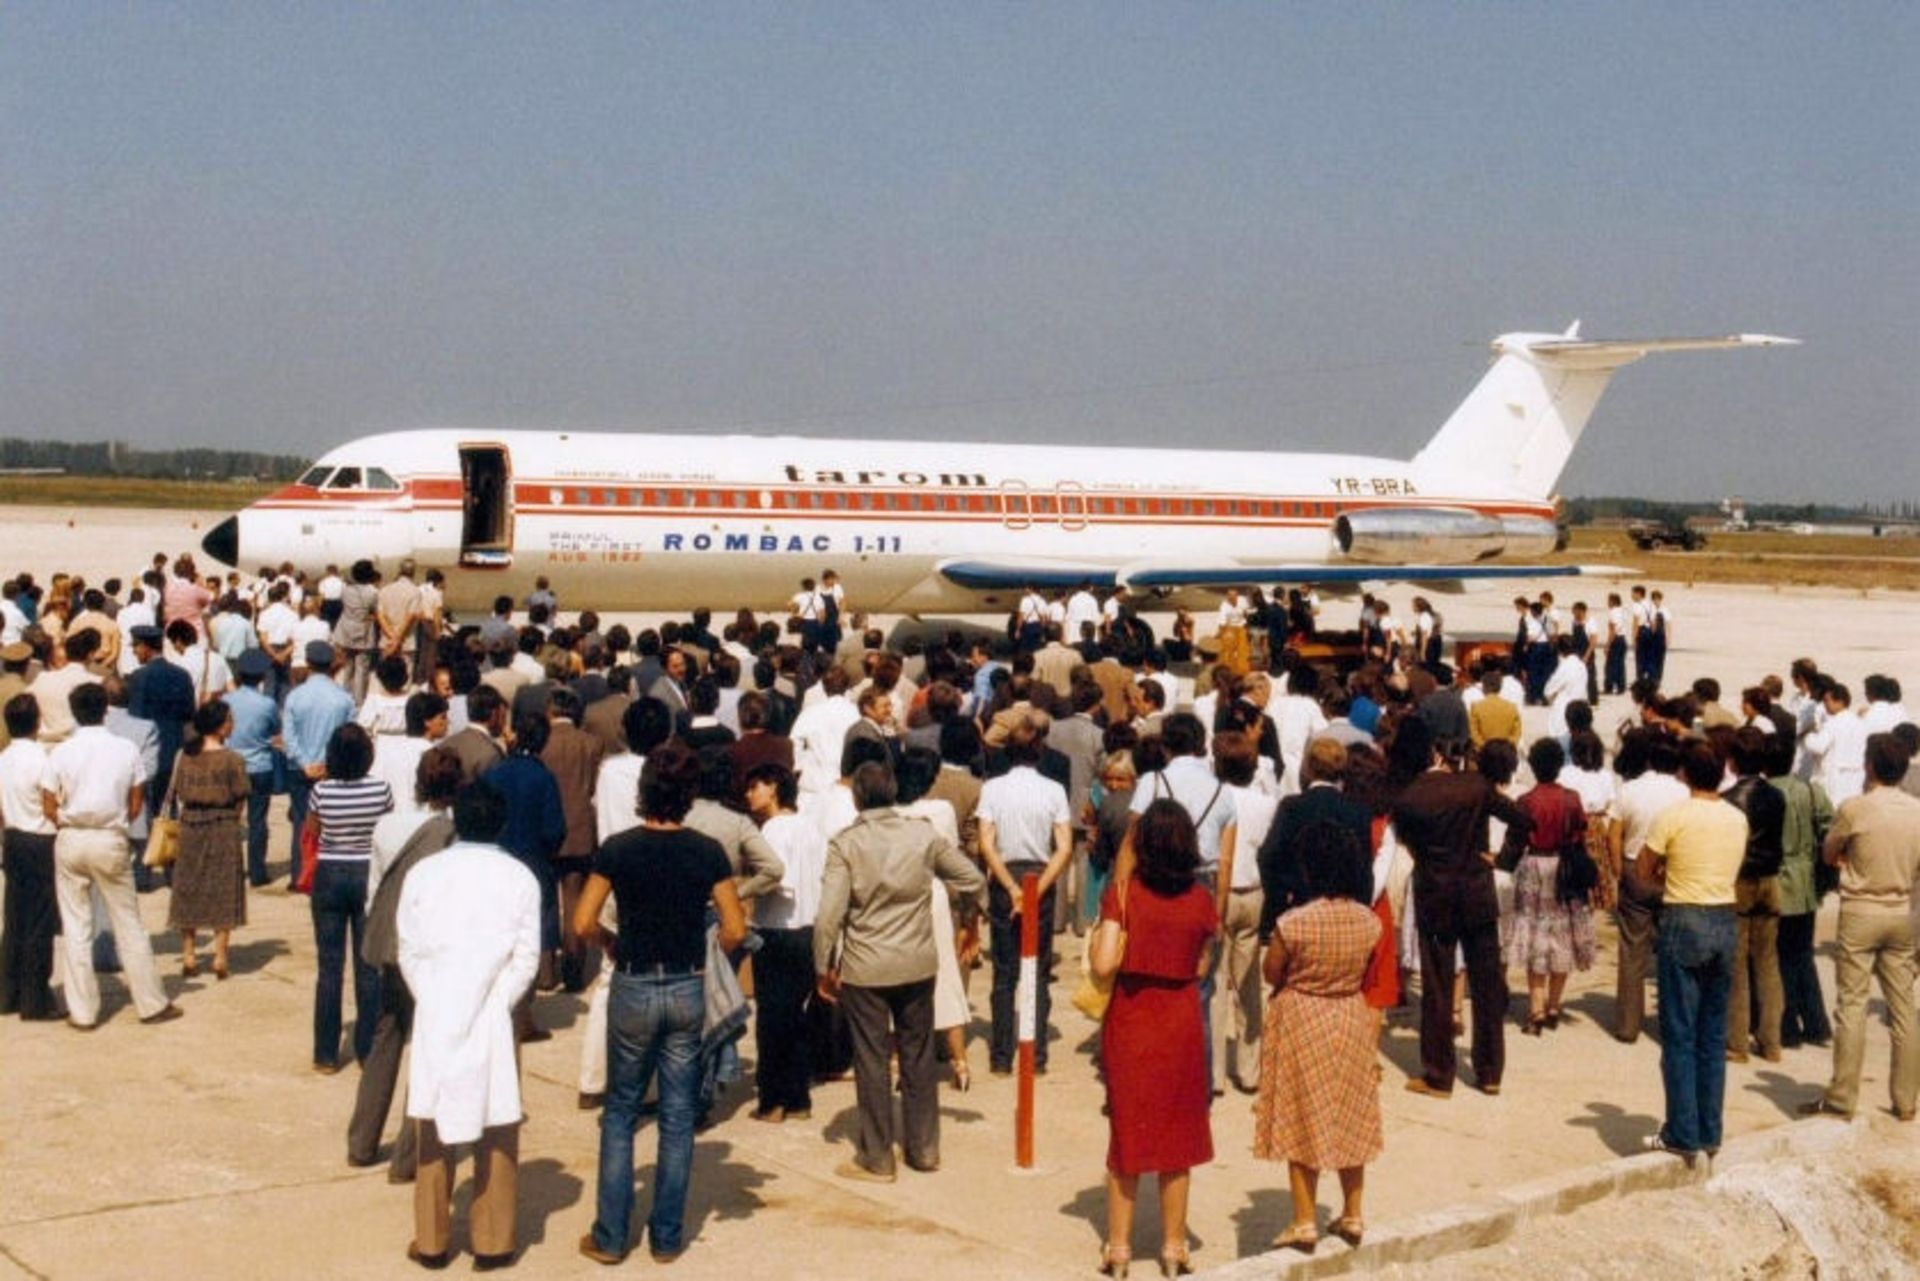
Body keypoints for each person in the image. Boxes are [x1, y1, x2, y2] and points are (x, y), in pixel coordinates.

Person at [577, 743, 748, 1265]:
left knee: (622, 1111)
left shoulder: (619, 848)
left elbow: (583, 922)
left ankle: (610, 1235)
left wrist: (611, 942)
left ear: (645, 790)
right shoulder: (707, 851)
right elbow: (736, 928)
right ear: (689, 795)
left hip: (633, 980)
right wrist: (704, 950)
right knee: (677, 1115)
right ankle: (667, 1235)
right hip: (686, 984)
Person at [813, 760, 984, 1183]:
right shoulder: (922, 834)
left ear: (857, 797)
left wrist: (822, 966)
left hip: (866, 966)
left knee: (872, 1059)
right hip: (918, 962)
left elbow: (828, 916)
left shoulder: (846, 844)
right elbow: (971, 877)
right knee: (919, 1055)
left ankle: (877, 1157)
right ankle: (924, 1149)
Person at [397, 781, 541, 1271]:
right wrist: (498, 1001)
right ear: (501, 822)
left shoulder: (425, 873)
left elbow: (408, 947)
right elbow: (527, 956)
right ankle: (493, 1241)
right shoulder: (519, 876)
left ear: (455, 819)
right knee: (498, 1123)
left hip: (437, 1002)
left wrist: (432, 995)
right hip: (493, 1011)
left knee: (432, 1126)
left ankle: (432, 1240)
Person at [1092, 799, 1218, 1279]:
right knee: (1179, 1139)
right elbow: (1202, 963)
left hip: (1131, 1019)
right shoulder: (1202, 900)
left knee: (1127, 1135)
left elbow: (1104, 964)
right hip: (1181, 1020)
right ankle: (1174, 1246)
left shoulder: (1123, 896)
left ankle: (1120, 1249)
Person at [1257, 821, 1385, 1254]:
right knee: (1350, 1113)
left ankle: (1304, 1219)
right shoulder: (1369, 921)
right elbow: (1368, 971)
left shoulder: (1294, 922)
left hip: (1303, 1015)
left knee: (1300, 1116)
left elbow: (1271, 971)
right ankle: (1352, 1212)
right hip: (1349, 1014)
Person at [1391, 717, 1530, 1097]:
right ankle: (1489, 1072)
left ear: (1434, 754)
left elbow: (1408, 843)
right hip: (1476, 890)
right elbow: (1524, 820)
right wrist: (1502, 859)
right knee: (1486, 984)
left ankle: (1439, 1073)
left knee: (1437, 984)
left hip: (1435, 892)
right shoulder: (1478, 787)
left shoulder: (1410, 796)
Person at [348, 746, 460, 1181]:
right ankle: (409, 1155)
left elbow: (375, 888)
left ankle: (361, 1141)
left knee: (386, 1035)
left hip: (393, 941)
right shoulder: (450, 832)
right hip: (432, 948)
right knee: (427, 1046)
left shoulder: (388, 824)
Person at [41, 681, 179, 1027]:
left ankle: (83, 1011)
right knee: (128, 923)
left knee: (76, 926)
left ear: (74, 712)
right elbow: (136, 802)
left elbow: (47, 803)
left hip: (71, 837)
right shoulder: (126, 749)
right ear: (106, 710)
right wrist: (114, 820)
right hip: (110, 836)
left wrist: (68, 819)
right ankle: (150, 1003)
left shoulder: (60, 751)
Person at [1637, 741, 1748, 1161]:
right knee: (1712, 1033)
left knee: (1680, 1032)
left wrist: (1669, 871)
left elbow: (1645, 870)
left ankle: (1682, 1130)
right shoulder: (1737, 819)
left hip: (1684, 915)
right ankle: (1709, 1129)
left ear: (1684, 773)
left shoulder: (1674, 816)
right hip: (1723, 917)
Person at [1802, 733, 1919, 1122]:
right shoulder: (1916, 811)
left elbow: (1830, 850)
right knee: (1904, 1009)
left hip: (1860, 910)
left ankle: (1842, 1098)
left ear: (1870, 765)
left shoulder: (1856, 808)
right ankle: (1906, 1100)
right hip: (1900, 909)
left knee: (1851, 1005)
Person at [976, 721, 1072, 1076]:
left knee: (1004, 971)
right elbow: (1063, 848)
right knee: (1039, 969)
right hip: (1040, 876)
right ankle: (1037, 1055)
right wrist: (1038, 887)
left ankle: (1001, 1056)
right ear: (1040, 751)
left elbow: (986, 843)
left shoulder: (993, 789)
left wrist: (1012, 888)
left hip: (1005, 876)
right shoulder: (1053, 791)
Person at [744, 761, 829, 1122]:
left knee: (772, 1020)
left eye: (755, 787)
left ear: (773, 789)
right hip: (808, 929)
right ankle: (798, 1099)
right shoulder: (811, 829)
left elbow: (776, 879)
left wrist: (739, 894)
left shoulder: (775, 830)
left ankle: (773, 1100)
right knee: (796, 1017)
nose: (749, 794)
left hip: (777, 928)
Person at [304, 722, 392, 1071]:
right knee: (367, 965)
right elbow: (384, 829)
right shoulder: (381, 789)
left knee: (329, 967)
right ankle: (367, 1049)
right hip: (366, 872)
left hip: (330, 872)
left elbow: (313, 830)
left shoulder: (322, 791)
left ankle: (325, 1053)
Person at [1505, 738, 1596, 1035]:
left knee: (1535, 935)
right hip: (1564, 869)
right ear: (1559, 765)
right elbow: (1581, 833)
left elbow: (1515, 844)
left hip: (1534, 868)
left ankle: (1536, 1008)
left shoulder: (1526, 801)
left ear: (1532, 766)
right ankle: (1555, 1004)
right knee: (1562, 935)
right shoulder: (1572, 798)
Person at [1608, 730, 1687, 1044]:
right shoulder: (1684, 793)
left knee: (1632, 949)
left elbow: (1614, 834)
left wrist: (1617, 872)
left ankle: (1628, 1024)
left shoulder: (1630, 790)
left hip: (1634, 866)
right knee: (1671, 952)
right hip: (1671, 872)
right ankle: (1670, 1022)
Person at [167, 701, 252, 980]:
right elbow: (241, 796)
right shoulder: (233, 760)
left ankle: (190, 954)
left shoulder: (184, 756)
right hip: (224, 826)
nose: (233, 724)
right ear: (220, 726)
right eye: (229, 720)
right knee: (223, 888)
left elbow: (178, 791)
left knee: (188, 888)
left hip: (191, 824)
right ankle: (220, 956)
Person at [1722, 727, 1787, 1064]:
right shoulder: (1777, 796)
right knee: (1767, 962)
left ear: (1732, 762)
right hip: (1770, 879)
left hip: (1740, 881)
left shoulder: (1730, 800)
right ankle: (1771, 1040)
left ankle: (1737, 1041)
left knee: (1737, 965)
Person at [1770, 730, 1835, 1050]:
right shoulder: (1811, 791)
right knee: (1802, 955)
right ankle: (1816, 1023)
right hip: (1806, 882)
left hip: (1778, 882)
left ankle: (1787, 1025)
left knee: (1779, 957)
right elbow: (1829, 829)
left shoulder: (1767, 793)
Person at [0, 695, 61, 1019]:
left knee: (14, 917)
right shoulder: (42, 758)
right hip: (40, 840)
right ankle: (35, 1000)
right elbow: (50, 805)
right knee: (40, 921)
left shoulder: (4, 758)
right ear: (37, 722)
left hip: (12, 838)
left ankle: (8, 993)